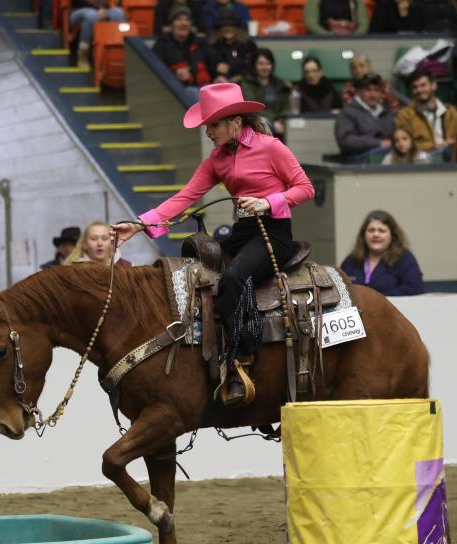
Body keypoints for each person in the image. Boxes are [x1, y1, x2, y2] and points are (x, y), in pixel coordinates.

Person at [112, 83, 314, 406]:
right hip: (243, 232)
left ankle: (242, 360)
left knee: (234, 278)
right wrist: (140, 225)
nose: (208, 131)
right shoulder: (217, 160)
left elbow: (305, 188)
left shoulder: (271, 147)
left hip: (272, 232)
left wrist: (268, 202)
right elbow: (185, 197)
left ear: (236, 121)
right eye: (207, 125)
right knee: (198, 270)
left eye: (214, 124)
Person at [340, 210, 424, 296]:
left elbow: (414, 289)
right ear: (363, 235)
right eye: (371, 230)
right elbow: (339, 290)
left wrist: (378, 299)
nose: (376, 234)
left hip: (392, 308)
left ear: (392, 235)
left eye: (382, 231)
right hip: (356, 309)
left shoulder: (404, 259)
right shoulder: (351, 260)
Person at [153, 7, 215, 98]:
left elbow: (214, 62)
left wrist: (220, 75)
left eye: (187, 20)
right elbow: (154, 70)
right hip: (176, 91)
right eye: (178, 19)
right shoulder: (162, 44)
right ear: (171, 24)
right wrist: (174, 74)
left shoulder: (200, 42)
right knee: (191, 92)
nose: (183, 23)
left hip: (205, 87)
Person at [396, 69, 457, 153]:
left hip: (451, 160)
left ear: (434, 85)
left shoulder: (452, 113)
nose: (419, 90)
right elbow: (403, 144)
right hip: (420, 161)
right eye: (415, 87)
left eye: (423, 85)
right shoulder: (405, 116)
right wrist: (435, 146)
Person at [334, 73, 398, 163]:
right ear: (360, 92)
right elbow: (346, 140)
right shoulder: (347, 113)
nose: (372, 94)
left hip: (386, 156)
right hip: (357, 161)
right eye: (368, 90)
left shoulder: (387, 113)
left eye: (376, 90)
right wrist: (378, 143)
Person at [239, 49, 292, 137]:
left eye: (268, 64)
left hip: (279, 125)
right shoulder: (247, 83)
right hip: (256, 126)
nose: (265, 67)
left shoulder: (279, 84)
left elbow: (286, 108)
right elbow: (253, 108)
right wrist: (273, 123)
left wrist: (282, 120)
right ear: (254, 65)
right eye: (261, 64)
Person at [70, 0, 127, 68]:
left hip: (104, 10)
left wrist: (106, 7)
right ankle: (83, 54)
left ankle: (118, 51)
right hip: (78, 10)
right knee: (92, 16)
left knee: (119, 12)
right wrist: (98, 9)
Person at [207, 13, 257, 82]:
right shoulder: (213, 45)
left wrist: (230, 69)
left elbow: (252, 66)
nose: (228, 29)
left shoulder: (248, 45)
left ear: (237, 28)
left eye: (231, 26)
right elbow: (209, 65)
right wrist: (217, 69)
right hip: (219, 81)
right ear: (219, 29)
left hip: (243, 81)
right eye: (224, 26)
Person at [64, 221, 132, 266]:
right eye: (94, 239)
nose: (100, 243)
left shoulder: (126, 267)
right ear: (85, 244)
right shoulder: (72, 269)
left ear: (112, 242)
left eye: (105, 238)